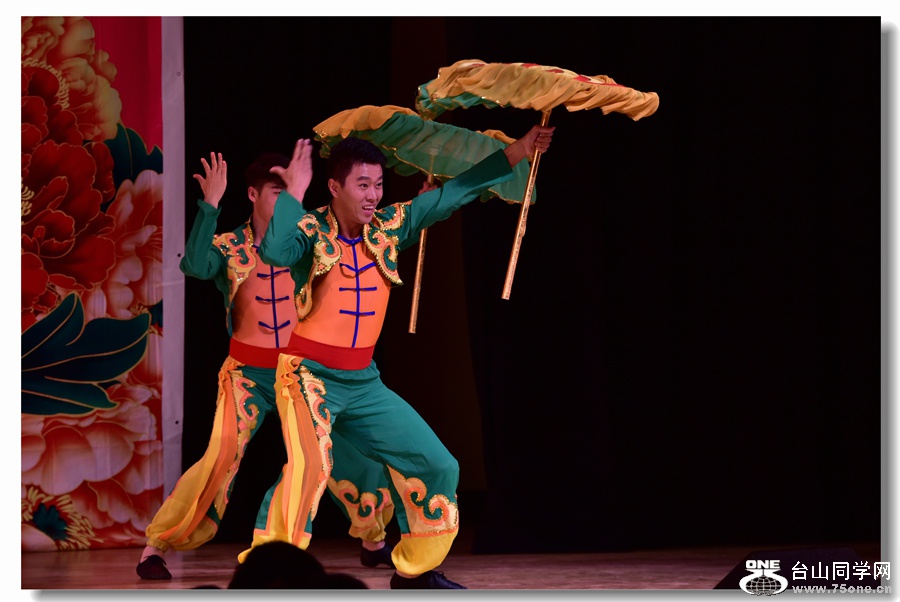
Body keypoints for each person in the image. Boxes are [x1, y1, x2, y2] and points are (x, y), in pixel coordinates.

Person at [256, 125, 555, 589]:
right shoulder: (311, 231)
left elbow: (459, 190)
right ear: (334, 186)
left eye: (378, 185)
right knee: (309, 470)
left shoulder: (390, 227)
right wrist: (293, 192)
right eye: (363, 185)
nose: (373, 195)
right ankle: (269, 577)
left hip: (364, 383)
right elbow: (274, 252)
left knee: (438, 465)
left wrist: (520, 148)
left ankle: (414, 571)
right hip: (307, 378)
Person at [136, 151, 396, 581]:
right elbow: (194, 266)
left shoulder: (309, 236)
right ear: (254, 194)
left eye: (291, 189)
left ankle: (373, 537)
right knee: (221, 453)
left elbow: (365, 235)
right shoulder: (231, 246)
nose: (287, 198)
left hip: (304, 372)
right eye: (278, 190)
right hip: (248, 374)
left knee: (343, 451)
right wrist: (210, 205)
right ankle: (157, 544)